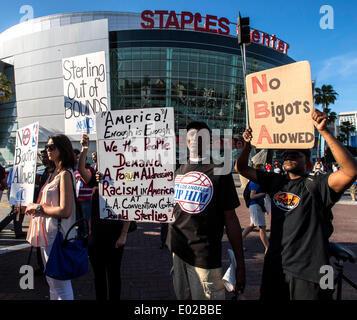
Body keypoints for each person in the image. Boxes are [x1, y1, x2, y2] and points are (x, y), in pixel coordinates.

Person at [235, 109, 357, 300]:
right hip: (275, 266)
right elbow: (241, 168)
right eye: (285, 154)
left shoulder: (317, 184)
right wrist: (248, 144)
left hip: (312, 272)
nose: (289, 156)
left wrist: (325, 132)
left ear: (308, 163)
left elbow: (350, 171)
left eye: (296, 154)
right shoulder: (275, 181)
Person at [166, 121, 245, 300]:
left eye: (201, 135)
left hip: (204, 257)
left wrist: (240, 264)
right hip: (178, 252)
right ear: (185, 140)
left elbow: (231, 219)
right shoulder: (178, 170)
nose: (195, 139)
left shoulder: (220, 170)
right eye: (191, 135)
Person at [25, 134, 77, 300]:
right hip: (48, 235)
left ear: (62, 149)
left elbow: (65, 211)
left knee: (60, 285)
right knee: (53, 284)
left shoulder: (65, 175)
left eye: (51, 147)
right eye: (46, 147)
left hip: (58, 235)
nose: (47, 150)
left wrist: (38, 208)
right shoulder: (53, 173)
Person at [242, 164, 269, 254]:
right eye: (263, 171)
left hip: (256, 206)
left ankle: (239, 242)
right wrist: (264, 194)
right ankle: (267, 248)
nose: (264, 172)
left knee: (252, 225)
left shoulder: (256, 181)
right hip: (256, 206)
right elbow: (252, 196)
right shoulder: (255, 182)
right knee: (262, 227)